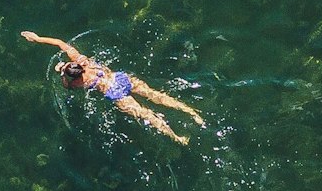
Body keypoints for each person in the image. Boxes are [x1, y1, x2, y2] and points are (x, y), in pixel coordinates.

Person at [21, 30, 206, 145]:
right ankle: (192, 113)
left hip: (115, 93)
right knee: (156, 95)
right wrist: (38, 38)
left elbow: (67, 86)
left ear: (72, 78)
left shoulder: (78, 83)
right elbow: (61, 43)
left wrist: (60, 73)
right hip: (120, 78)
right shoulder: (83, 61)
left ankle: (177, 138)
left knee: (146, 114)